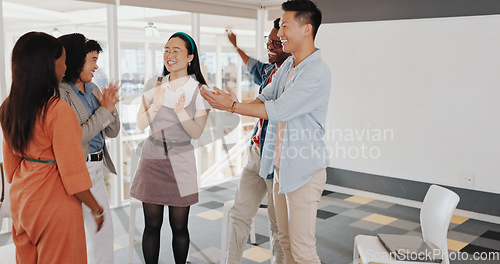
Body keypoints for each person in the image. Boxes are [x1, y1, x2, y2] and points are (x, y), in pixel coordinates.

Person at [201, 0, 330, 263]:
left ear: (307, 29)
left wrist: (234, 106)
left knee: (303, 249)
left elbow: (279, 109)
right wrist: (231, 105)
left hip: (304, 173)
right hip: (282, 169)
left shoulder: (316, 72)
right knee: (285, 240)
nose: (279, 33)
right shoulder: (287, 66)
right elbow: (265, 97)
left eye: (284, 25)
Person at [0, 31, 104, 264]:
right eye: (63, 60)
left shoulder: (8, 106)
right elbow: (72, 174)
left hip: (22, 199)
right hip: (54, 204)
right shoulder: (57, 110)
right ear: (48, 64)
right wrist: (95, 207)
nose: (66, 67)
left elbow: (10, 166)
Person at [130, 32, 211, 264]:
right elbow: (140, 123)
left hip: (182, 160)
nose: (169, 55)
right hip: (152, 158)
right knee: (152, 225)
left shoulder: (199, 91)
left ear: (190, 57)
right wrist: (155, 106)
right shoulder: (154, 84)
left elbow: (196, 132)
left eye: (176, 50)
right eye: (166, 50)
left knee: (179, 226)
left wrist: (180, 111)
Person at [224, 18, 290, 264]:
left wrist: (233, 106)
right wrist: (235, 46)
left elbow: (270, 108)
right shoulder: (268, 71)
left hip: (277, 160)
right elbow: (250, 64)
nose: (270, 46)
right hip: (255, 154)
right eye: (269, 41)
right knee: (239, 214)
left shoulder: (293, 77)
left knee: (277, 226)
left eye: (276, 42)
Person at [58, 33, 120, 264]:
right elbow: (75, 137)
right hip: (76, 169)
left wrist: (110, 109)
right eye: (92, 59)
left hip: (96, 167)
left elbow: (112, 132)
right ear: (76, 60)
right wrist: (105, 111)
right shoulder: (61, 94)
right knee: (81, 232)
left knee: (103, 230)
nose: (96, 66)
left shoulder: (93, 88)